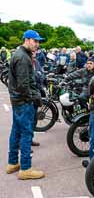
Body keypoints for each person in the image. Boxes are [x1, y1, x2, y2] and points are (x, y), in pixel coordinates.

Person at [6, 30, 45, 180]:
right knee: (26, 133)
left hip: (18, 101)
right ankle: (26, 168)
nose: (37, 44)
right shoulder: (23, 57)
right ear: (27, 40)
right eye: (35, 41)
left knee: (16, 131)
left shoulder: (20, 54)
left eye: (38, 42)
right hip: (24, 102)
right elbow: (24, 85)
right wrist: (33, 98)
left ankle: (12, 163)